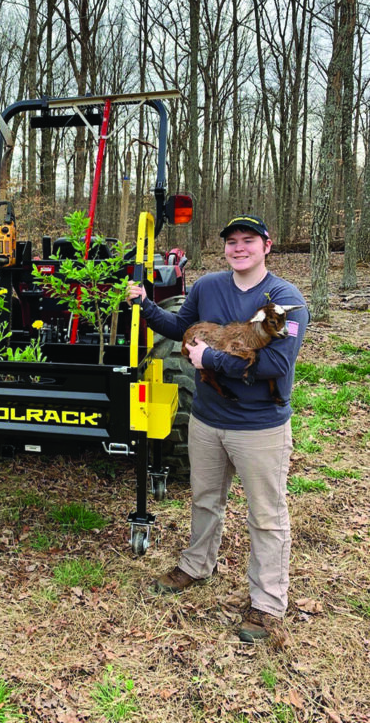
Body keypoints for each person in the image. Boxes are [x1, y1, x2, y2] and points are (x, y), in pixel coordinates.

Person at [127, 214, 309, 643]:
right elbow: (180, 328)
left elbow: (274, 364)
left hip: (259, 426)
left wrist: (209, 360)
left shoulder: (284, 300)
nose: (239, 248)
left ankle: (267, 603)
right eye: (232, 241)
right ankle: (196, 565)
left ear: (267, 246)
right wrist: (146, 305)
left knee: (266, 516)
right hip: (208, 420)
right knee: (205, 499)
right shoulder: (208, 286)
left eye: (249, 240)